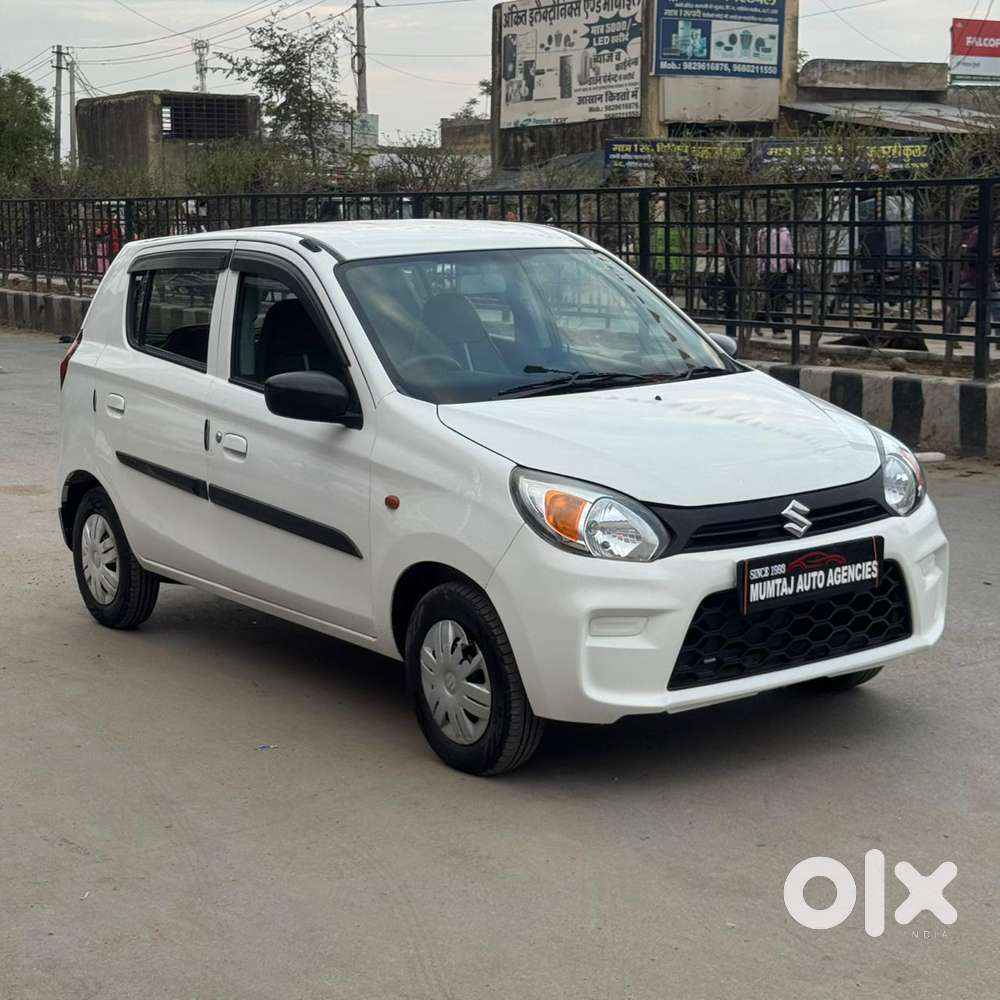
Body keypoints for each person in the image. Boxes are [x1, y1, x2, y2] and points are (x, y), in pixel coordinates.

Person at [756, 222, 794, 338]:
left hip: (773, 269)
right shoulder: (780, 233)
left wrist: (759, 268)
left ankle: (758, 322)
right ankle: (778, 330)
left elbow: (760, 252)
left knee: (772, 299)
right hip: (775, 269)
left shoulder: (765, 232)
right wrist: (794, 266)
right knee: (776, 300)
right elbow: (789, 252)